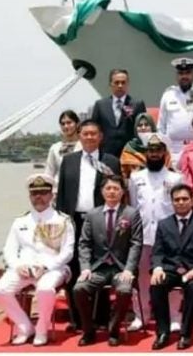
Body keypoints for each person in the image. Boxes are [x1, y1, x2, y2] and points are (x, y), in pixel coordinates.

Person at [54, 120, 121, 332]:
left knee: (100, 266)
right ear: (79, 136)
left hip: (101, 220)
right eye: (85, 134)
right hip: (75, 220)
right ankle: (77, 319)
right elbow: (62, 194)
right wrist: (61, 223)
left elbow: (117, 192)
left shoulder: (110, 161)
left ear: (100, 136)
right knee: (74, 268)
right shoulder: (69, 161)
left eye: (94, 134)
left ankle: (100, 317)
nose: (89, 137)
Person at [0, 174, 75, 346]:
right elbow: (9, 249)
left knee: (45, 289)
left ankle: (41, 329)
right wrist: (17, 266)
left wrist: (46, 267)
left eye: (43, 192)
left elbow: (67, 252)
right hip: (24, 267)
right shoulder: (20, 221)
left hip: (54, 267)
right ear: (30, 196)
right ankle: (25, 327)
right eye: (35, 193)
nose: (39, 196)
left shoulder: (63, 220)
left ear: (51, 195)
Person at [73, 175, 143, 346]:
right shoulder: (92, 214)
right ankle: (89, 330)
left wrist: (129, 269)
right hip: (99, 268)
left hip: (121, 268)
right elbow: (84, 244)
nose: (112, 192)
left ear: (122, 192)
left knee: (125, 290)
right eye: (108, 188)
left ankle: (114, 328)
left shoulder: (131, 213)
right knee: (79, 288)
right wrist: (85, 268)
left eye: (116, 189)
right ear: (102, 191)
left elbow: (136, 244)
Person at [149, 184, 193, 351]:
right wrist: (157, 268)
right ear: (172, 202)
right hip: (171, 269)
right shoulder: (164, 224)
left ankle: (185, 333)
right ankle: (163, 332)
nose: (181, 202)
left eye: (185, 199)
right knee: (157, 284)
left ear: (192, 200)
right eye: (177, 200)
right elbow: (157, 251)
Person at [127, 133, 183, 332]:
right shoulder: (136, 177)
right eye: (150, 150)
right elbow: (134, 206)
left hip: (168, 237)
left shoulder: (175, 177)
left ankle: (174, 316)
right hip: (142, 236)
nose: (154, 153)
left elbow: (180, 206)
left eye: (158, 150)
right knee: (141, 277)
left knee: (170, 275)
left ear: (164, 152)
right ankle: (140, 315)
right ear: (146, 153)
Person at [157, 58, 193, 164]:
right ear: (176, 76)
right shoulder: (168, 94)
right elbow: (161, 126)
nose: (184, 76)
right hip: (174, 149)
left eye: (188, 73)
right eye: (181, 73)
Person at [89, 69, 147, 159]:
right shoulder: (100, 105)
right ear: (110, 84)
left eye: (123, 82)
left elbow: (143, 131)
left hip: (130, 154)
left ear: (128, 84)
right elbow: (94, 129)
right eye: (117, 82)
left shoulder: (137, 104)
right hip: (106, 154)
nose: (120, 86)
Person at [120, 113, 165, 180]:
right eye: (140, 125)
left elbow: (168, 168)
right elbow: (124, 174)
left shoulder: (162, 146)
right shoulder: (129, 148)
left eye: (146, 125)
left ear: (152, 127)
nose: (143, 128)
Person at [44, 109, 81, 182]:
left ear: (77, 124)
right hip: (58, 189)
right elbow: (49, 173)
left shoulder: (84, 146)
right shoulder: (55, 148)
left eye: (69, 122)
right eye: (63, 124)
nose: (66, 126)